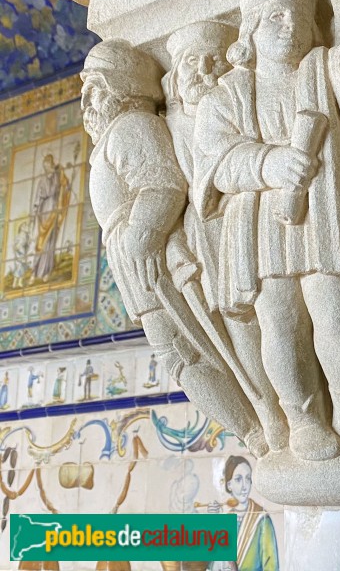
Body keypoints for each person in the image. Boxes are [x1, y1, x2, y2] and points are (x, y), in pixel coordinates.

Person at [194, 0, 340, 461]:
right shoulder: (227, 95)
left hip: (326, 214)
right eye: (276, 17)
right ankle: (303, 419)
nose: (290, 26)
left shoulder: (321, 69)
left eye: (299, 16)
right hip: (260, 223)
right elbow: (214, 162)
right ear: (250, 31)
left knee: (338, 313)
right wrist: (268, 163)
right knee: (280, 321)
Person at [81, 39, 268, 456]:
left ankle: (259, 425)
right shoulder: (116, 134)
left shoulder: (132, 127)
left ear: (122, 87)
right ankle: (253, 428)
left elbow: (162, 185)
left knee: (190, 349)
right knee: (180, 356)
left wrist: (143, 237)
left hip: (153, 256)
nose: (86, 103)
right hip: (136, 259)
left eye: (94, 89)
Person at [164, 22, 286, 450]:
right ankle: (270, 411)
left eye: (212, 60)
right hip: (207, 238)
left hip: (252, 220)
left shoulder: (243, 104)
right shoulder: (170, 127)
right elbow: (163, 194)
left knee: (275, 313)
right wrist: (173, 244)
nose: (202, 71)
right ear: (173, 77)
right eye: (189, 63)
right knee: (241, 324)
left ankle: (297, 403)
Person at [208, 456, 278, 571]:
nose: (244, 486)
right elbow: (213, 564)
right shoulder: (226, 519)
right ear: (229, 485)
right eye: (238, 479)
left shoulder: (261, 518)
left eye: (248, 479)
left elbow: (271, 566)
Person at [31, 154, 70, 281]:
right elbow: (37, 198)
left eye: (48, 166)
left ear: (51, 165)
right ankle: (35, 271)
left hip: (54, 210)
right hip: (44, 212)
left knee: (51, 241)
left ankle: (47, 270)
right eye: (45, 167)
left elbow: (65, 185)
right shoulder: (42, 180)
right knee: (41, 240)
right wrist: (35, 210)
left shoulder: (57, 176)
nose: (46, 169)